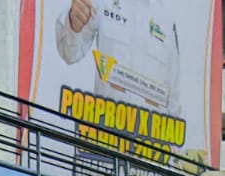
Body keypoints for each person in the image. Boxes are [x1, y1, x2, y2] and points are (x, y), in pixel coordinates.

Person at [56, 0, 184, 124]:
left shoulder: (167, 18)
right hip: (107, 134)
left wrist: (173, 144)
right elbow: (70, 53)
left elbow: (172, 99)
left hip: (151, 140)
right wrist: (74, 21)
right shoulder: (102, 2)